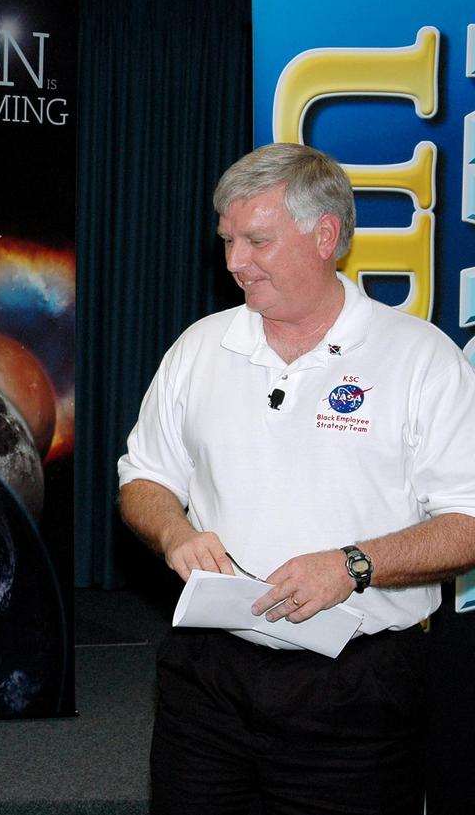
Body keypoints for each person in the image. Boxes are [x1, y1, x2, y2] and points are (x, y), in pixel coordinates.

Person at [117, 142, 475, 815]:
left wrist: (354, 564)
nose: (233, 262)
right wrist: (172, 531)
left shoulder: (420, 359)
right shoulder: (200, 348)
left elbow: (469, 520)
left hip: (357, 687)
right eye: (227, 240)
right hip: (208, 677)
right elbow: (144, 477)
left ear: (325, 236)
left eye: (257, 240)